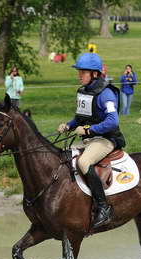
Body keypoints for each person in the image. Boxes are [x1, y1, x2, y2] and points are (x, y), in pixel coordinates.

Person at [56, 53, 125, 228]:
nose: (79, 75)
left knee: (84, 162)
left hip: (106, 139)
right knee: (63, 156)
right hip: (90, 139)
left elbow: (113, 121)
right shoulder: (83, 91)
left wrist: (89, 129)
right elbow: (80, 118)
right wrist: (69, 126)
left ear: (94, 74)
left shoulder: (106, 93)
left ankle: (103, 207)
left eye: (83, 72)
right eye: (79, 71)